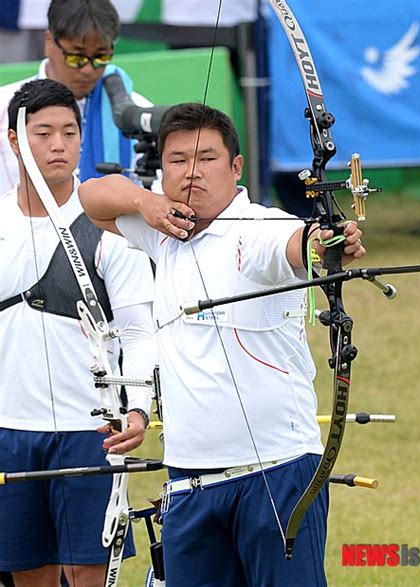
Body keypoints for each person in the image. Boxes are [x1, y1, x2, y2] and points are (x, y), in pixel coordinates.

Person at [78, 102, 366, 586]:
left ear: (236, 167)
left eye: (207, 158)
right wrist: (145, 202)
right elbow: (91, 196)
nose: (192, 172)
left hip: (276, 474)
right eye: (177, 160)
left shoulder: (261, 229)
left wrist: (326, 241)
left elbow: (298, 243)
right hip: (190, 483)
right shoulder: (163, 230)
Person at [0, 79, 156, 586]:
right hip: (9, 429)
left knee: (88, 574)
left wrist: (137, 407)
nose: (58, 144)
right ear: (14, 140)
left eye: (69, 132)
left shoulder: (109, 228)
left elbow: (138, 331)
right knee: (29, 575)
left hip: (89, 431)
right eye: (42, 132)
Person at [0, 0, 152, 193]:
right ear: (49, 41)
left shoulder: (136, 114)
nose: (88, 70)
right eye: (76, 58)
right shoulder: (4, 108)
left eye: (101, 57)